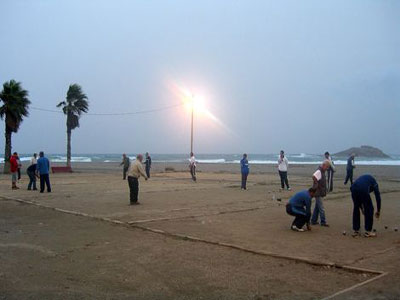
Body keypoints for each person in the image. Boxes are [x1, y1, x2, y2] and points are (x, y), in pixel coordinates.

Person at [311, 160, 331, 227]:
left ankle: (313, 220)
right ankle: (323, 221)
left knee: (317, 207)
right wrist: (316, 184)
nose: (327, 168)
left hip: (319, 192)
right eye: (327, 167)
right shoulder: (319, 171)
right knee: (321, 208)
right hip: (318, 192)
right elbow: (313, 176)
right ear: (324, 165)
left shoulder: (322, 171)